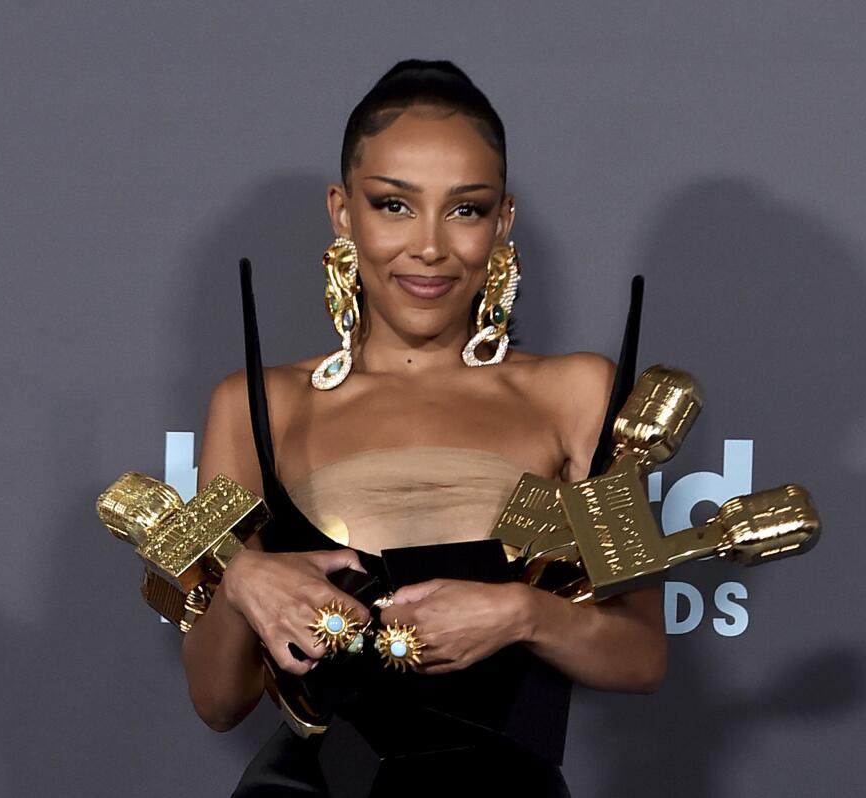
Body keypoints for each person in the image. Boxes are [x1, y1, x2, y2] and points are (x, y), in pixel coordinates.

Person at [181, 59, 667, 797]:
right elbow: (218, 702)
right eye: (395, 206)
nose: (431, 246)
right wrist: (242, 579)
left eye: (465, 209)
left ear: (503, 220)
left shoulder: (579, 394)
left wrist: (523, 614)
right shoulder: (256, 405)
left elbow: (640, 654)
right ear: (344, 212)